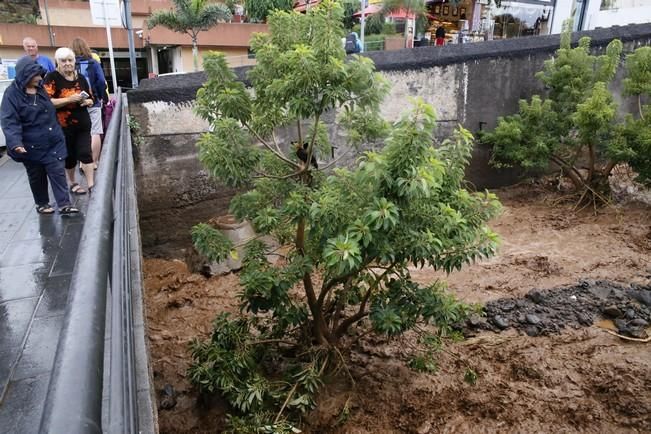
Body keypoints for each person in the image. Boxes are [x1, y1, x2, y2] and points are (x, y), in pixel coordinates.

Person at [0, 56, 79, 215]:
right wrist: (16, 143)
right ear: (25, 75)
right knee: (37, 175)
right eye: (34, 76)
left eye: (38, 75)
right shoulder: (11, 95)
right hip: (31, 144)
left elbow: (49, 110)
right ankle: (42, 203)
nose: (38, 78)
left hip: (52, 139)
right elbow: (9, 121)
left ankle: (64, 204)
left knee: (57, 171)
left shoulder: (41, 89)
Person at [43, 47, 95, 195]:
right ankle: (72, 182)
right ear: (57, 62)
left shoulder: (81, 78)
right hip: (63, 125)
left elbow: (91, 97)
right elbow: (47, 101)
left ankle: (91, 184)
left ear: (74, 61)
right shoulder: (51, 77)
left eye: (70, 60)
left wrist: (88, 102)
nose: (67, 63)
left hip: (83, 123)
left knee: (86, 152)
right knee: (69, 156)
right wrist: (69, 99)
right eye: (63, 60)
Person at [71, 37, 108, 168]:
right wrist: (99, 97)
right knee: (95, 132)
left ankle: (83, 162)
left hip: (75, 103)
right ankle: (93, 161)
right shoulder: (93, 63)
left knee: (81, 133)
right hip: (93, 102)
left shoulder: (71, 65)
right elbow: (101, 82)